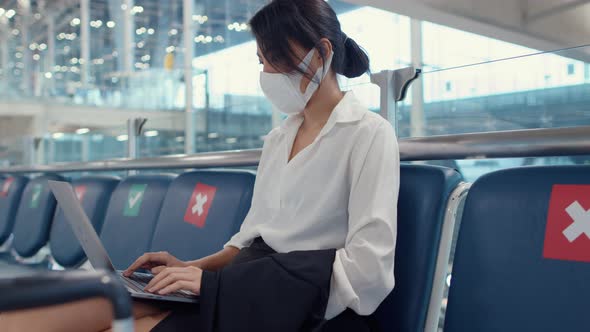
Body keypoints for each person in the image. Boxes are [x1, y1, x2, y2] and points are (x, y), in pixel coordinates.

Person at [0, 0, 399, 331]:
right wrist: (191, 269)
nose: (267, 74)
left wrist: (216, 286)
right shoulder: (279, 139)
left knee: (126, 324)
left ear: (323, 54)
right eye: (262, 61)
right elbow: (252, 238)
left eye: (276, 60)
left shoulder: (368, 134)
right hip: (240, 284)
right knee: (84, 307)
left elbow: (367, 271)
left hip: (292, 304)